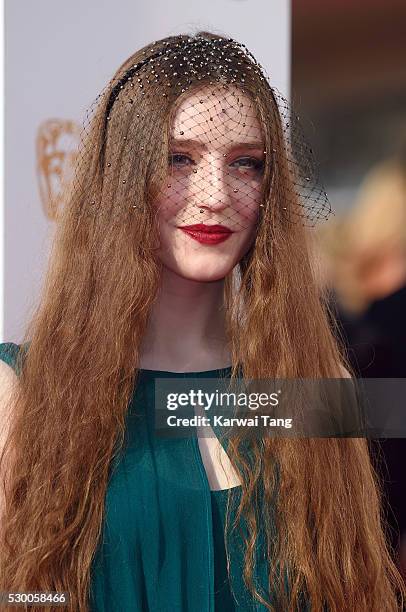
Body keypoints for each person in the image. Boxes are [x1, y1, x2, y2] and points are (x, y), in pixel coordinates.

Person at [0, 32, 404, 612]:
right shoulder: (25, 393)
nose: (216, 195)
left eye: (246, 163)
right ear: (121, 180)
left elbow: (355, 591)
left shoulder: (317, 387)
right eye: (179, 159)